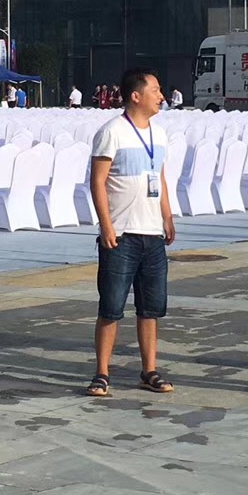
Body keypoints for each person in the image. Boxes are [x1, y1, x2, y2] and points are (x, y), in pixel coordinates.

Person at [86, 68, 176, 398]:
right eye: (156, 90)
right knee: (111, 307)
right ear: (135, 96)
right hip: (122, 234)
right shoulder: (112, 132)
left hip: (152, 233)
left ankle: (149, 370)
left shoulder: (160, 134)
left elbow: (160, 177)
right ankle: (102, 373)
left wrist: (167, 216)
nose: (162, 96)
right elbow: (97, 181)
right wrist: (106, 225)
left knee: (151, 308)